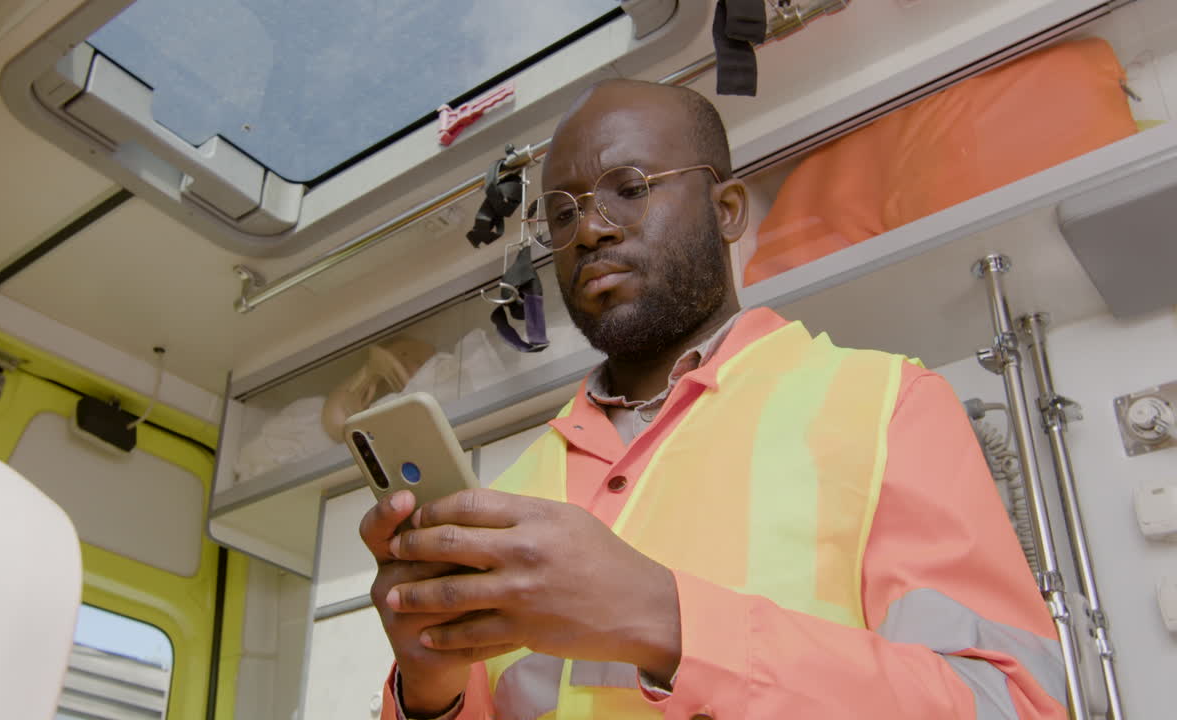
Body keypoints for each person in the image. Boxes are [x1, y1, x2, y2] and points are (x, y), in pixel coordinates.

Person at [359, 79, 1068, 720]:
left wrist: (669, 621)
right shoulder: (511, 495)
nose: (592, 230)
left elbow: (1009, 707)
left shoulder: (888, 406)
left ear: (727, 210)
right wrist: (428, 693)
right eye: (563, 214)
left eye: (629, 188)